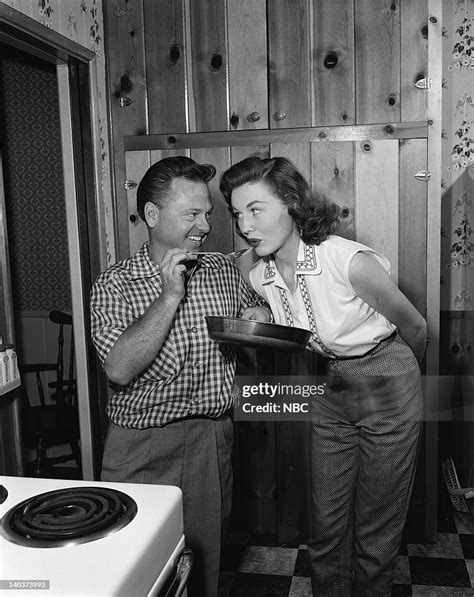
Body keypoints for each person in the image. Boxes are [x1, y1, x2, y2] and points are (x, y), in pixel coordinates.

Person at [219, 156, 427, 597]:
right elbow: (289, 320)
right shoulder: (260, 273)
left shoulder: (347, 261)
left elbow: (416, 329)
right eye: (238, 214)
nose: (245, 224)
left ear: (292, 204)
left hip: (387, 379)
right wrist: (262, 312)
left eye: (256, 209)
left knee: (376, 527)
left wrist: (406, 392)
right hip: (329, 387)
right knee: (326, 521)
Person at [90, 156, 270, 597]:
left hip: (213, 440)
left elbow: (259, 311)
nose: (206, 226)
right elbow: (119, 367)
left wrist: (258, 313)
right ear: (152, 216)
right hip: (140, 446)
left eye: (207, 213)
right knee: (136, 570)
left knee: (205, 568)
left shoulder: (223, 270)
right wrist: (171, 295)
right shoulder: (115, 285)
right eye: (192, 214)